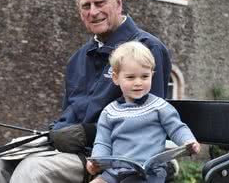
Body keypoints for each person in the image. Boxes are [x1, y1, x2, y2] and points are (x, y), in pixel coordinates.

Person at [0, 0, 171, 182]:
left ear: (118, 2)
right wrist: (57, 131)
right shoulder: (78, 59)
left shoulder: (146, 48)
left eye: (100, 3)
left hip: (110, 158)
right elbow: (68, 116)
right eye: (86, 6)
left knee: (32, 169)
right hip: (69, 152)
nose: (93, 12)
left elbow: (147, 124)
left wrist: (86, 133)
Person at [86, 41, 201, 183]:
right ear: (116, 78)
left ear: (152, 75)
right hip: (115, 172)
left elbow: (177, 128)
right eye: (130, 77)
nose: (138, 82)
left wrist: (188, 141)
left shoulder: (159, 106)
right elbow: (102, 142)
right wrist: (96, 161)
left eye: (144, 76)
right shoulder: (110, 112)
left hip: (149, 173)